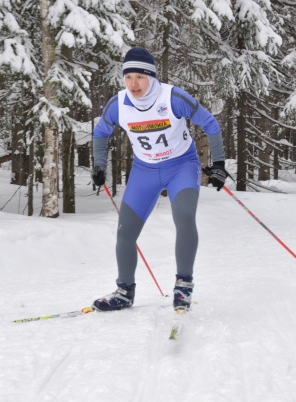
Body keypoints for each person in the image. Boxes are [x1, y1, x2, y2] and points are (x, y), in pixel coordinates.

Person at [90, 47, 228, 312]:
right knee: (125, 232)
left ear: (151, 77)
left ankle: (183, 286)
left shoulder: (173, 97)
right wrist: (99, 164)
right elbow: (100, 132)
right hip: (145, 170)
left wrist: (219, 163)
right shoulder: (118, 103)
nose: (133, 84)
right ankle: (124, 291)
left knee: (184, 218)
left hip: (181, 167)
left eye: (140, 77)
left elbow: (210, 123)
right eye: (128, 77)